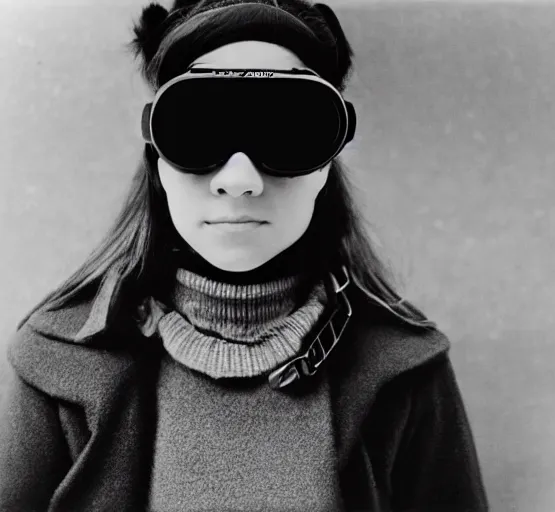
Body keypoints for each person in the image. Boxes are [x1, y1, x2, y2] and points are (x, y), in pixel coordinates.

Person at [0, 0, 489, 510]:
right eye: (196, 128)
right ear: (157, 156)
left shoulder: (403, 366)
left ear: (328, 161)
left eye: (290, 132)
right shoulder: (58, 358)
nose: (240, 181)